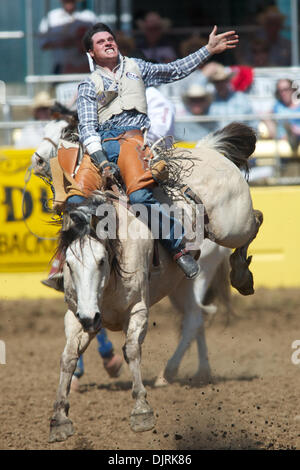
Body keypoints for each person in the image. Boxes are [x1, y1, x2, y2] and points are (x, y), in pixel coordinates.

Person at [70, 22, 238, 281]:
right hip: (99, 147)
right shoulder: (87, 86)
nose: (108, 42)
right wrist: (102, 159)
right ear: (91, 53)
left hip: (132, 141)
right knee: (73, 201)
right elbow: (88, 129)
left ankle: (178, 246)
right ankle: (69, 265)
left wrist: (207, 50)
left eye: (110, 38)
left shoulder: (138, 67)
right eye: (101, 41)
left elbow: (173, 70)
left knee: (139, 198)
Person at [38, 0, 98, 74]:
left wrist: (81, 43)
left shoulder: (88, 16)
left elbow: (100, 37)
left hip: (86, 66)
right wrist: (62, 43)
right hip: (61, 67)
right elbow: (43, 43)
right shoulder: (51, 17)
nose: (69, 2)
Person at [206, 63, 256, 132]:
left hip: (239, 138)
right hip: (217, 139)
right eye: (217, 82)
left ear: (227, 81)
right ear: (214, 84)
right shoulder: (209, 100)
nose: (220, 85)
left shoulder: (241, 98)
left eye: (222, 81)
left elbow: (253, 121)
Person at [263, 78, 300, 153]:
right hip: (283, 139)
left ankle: (291, 133)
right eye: (280, 90)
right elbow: (265, 116)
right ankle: (289, 133)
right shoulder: (277, 106)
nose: (283, 93)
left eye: (286, 89)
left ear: (293, 90)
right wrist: (278, 134)